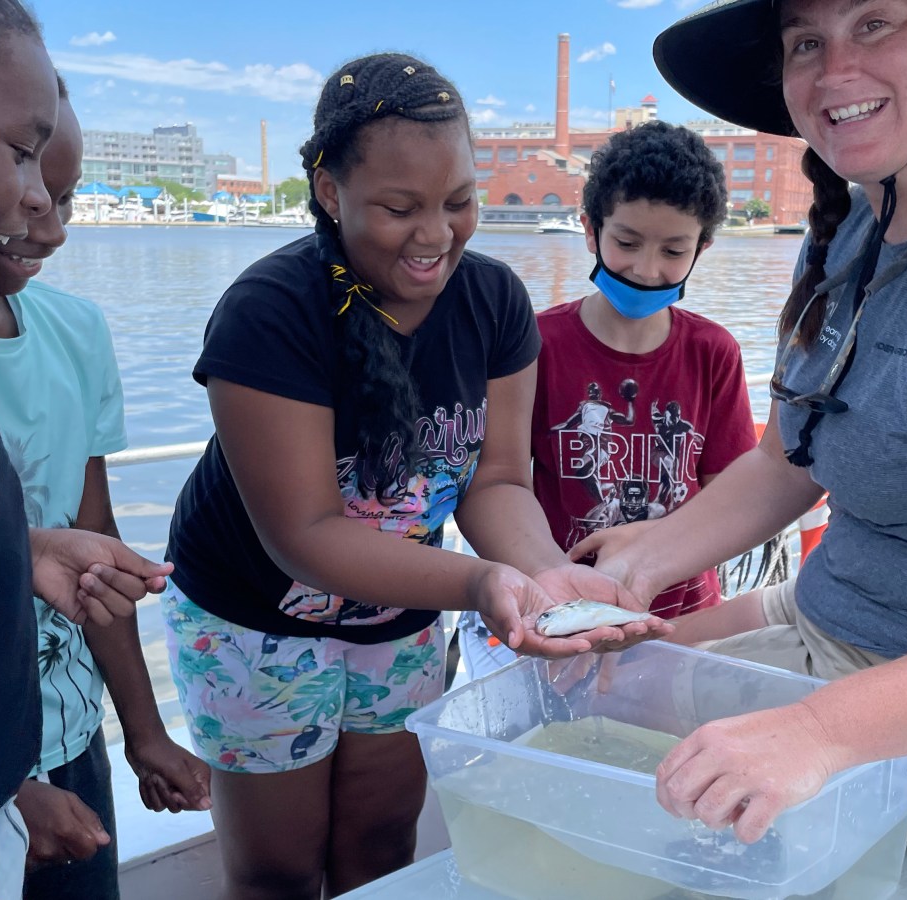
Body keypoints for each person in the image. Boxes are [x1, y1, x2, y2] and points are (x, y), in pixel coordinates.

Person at [575, 0, 907, 855]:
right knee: (588, 677)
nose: (835, 72)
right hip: (844, 615)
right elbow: (787, 462)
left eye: (876, 23)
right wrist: (635, 567)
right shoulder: (857, 217)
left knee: (596, 738)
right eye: (806, 41)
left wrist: (815, 734)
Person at [161, 52, 667, 900]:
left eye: (458, 202)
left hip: (402, 610)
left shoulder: (494, 302)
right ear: (330, 191)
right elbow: (305, 536)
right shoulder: (268, 313)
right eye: (400, 209)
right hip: (251, 617)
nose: (436, 235)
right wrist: (480, 583)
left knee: (382, 842)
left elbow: (495, 482)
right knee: (279, 873)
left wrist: (545, 577)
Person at [0, 77, 212, 900]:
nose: (49, 226)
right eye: (27, 190)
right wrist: (10, 791)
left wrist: (145, 732)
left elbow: (97, 549)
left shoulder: (78, 330)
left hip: (70, 733)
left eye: (66, 197)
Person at [460, 123, 757, 678]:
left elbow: (736, 496)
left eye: (674, 250)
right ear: (590, 230)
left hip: (683, 622)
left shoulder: (713, 352)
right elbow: (498, 482)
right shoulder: (536, 345)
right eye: (627, 242)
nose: (646, 269)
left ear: (702, 248)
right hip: (560, 614)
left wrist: (657, 540)